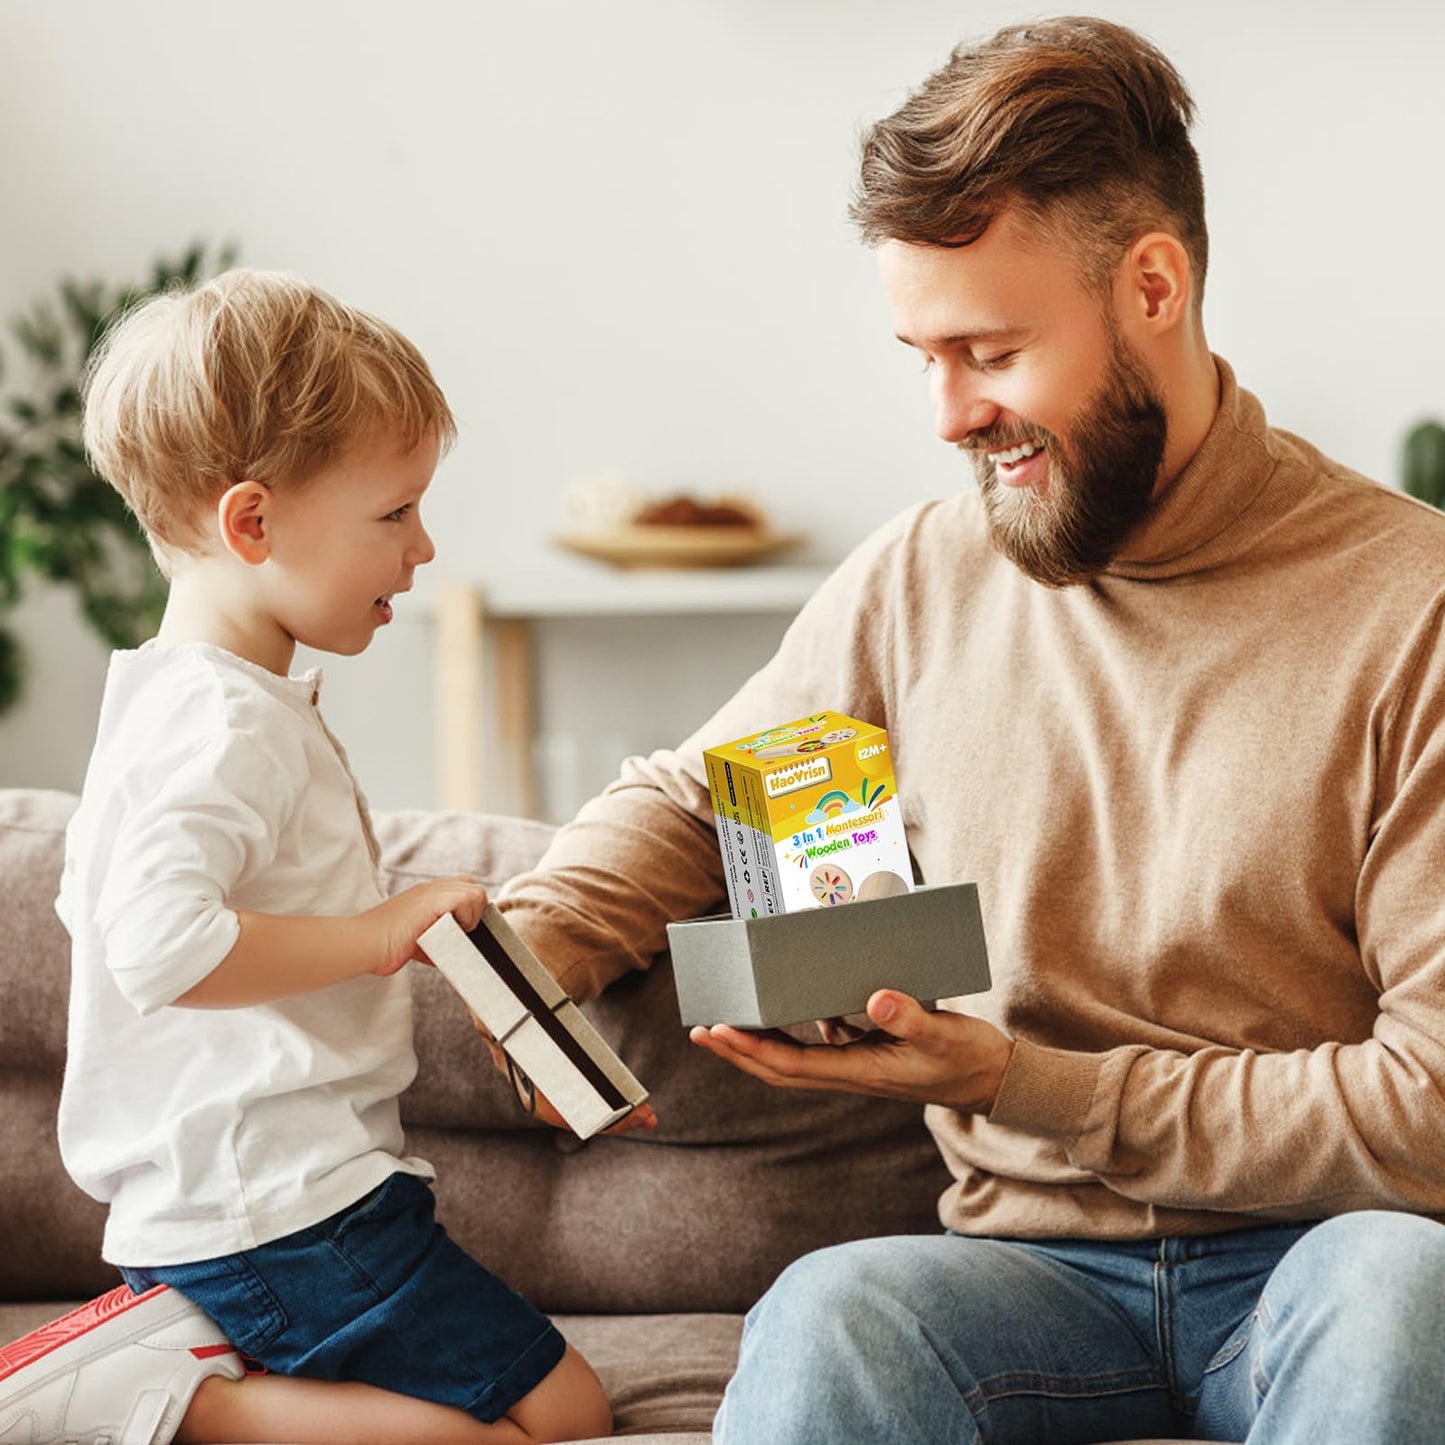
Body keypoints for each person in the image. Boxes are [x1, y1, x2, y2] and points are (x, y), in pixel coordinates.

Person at [493, 16, 1445, 1444]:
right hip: (1020, 1273)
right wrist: (537, 946)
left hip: (1326, 1246)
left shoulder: (1408, 607)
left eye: (990, 350)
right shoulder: (923, 574)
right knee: (830, 1311)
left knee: (1402, 1287)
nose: (948, 413)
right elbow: (698, 794)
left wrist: (1019, 1078)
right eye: (921, 353)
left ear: (1153, 286)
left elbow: (1424, 1104)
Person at [0, 269, 651, 1445]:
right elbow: (156, 944)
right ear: (252, 523)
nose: (423, 546)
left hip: (258, 1205)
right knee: (558, 1411)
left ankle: (182, 1353)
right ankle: (182, 1405)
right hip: (280, 1211)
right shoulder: (221, 721)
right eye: (394, 513)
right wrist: (380, 930)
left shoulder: (180, 702)